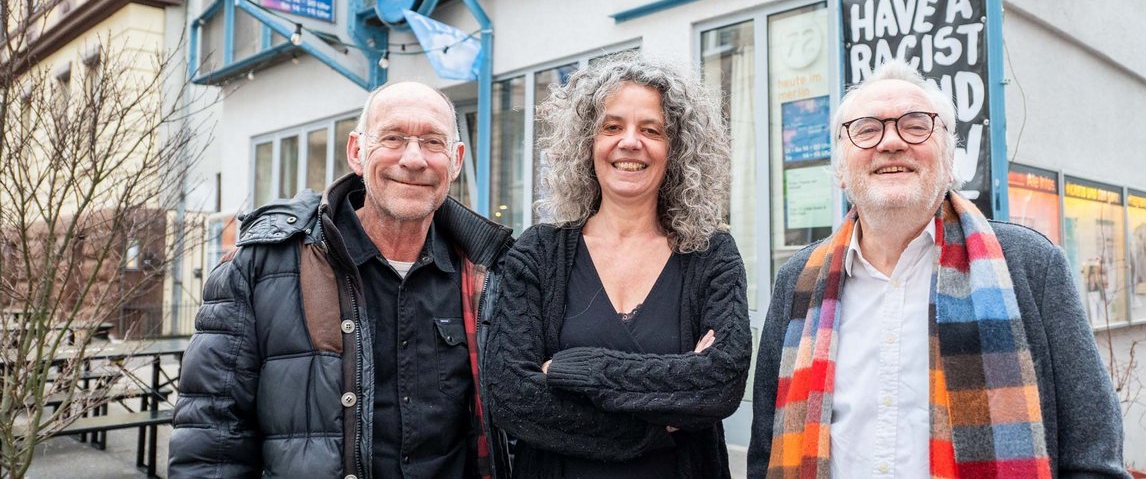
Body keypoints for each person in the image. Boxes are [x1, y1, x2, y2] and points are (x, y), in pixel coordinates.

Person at [748, 60, 1126, 478]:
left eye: (915, 125)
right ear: (840, 169)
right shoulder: (797, 281)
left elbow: (1093, 458)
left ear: (949, 161)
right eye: (867, 129)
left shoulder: (1032, 267)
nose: (890, 142)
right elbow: (766, 452)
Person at [169, 82, 513, 479]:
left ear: (455, 160)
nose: (414, 158)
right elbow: (213, 434)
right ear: (356, 152)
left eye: (433, 142)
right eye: (393, 137)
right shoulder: (265, 263)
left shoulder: (492, 274)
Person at [485, 55, 752, 477]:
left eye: (651, 130)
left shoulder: (711, 253)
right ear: (587, 143)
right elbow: (513, 399)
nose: (630, 142)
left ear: (676, 149)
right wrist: (656, 426)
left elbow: (719, 383)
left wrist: (576, 369)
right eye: (612, 127)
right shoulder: (539, 253)